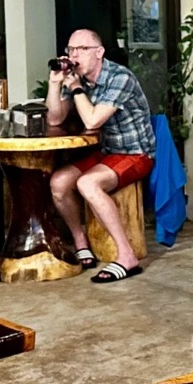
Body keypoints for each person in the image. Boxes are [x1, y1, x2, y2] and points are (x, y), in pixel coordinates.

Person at [47, 29, 156, 283]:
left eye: (82, 49)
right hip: (106, 151)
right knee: (58, 183)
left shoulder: (120, 77)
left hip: (136, 152)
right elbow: (55, 119)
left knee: (87, 183)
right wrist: (55, 84)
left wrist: (75, 88)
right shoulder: (78, 79)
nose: (74, 55)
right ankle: (80, 241)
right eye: (71, 49)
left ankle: (127, 256)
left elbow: (93, 121)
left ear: (99, 52)